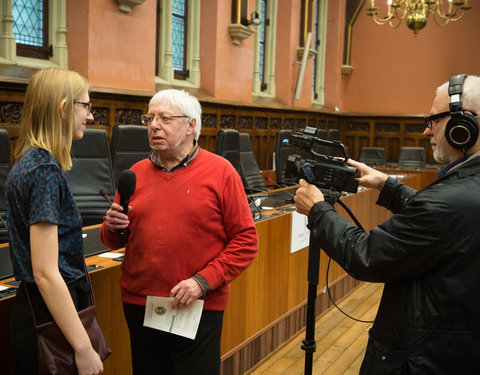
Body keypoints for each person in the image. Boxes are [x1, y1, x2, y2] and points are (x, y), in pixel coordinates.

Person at [293, 74, 480, 374]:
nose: (426, 131)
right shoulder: (467, 189)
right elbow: (445, 226)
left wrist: (317, 211)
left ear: (464, 125)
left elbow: (366, 256)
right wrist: (386, 185)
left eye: (434, 120)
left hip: (423, 357)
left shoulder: (445, 202)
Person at [100, 89, 258, 374]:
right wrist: (112, 228)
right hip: (141, 302)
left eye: (165, 118)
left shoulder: (222, 172)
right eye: (150, 118)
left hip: (197, 304)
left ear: (191, 125)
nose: (153, 125)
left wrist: (202, 281)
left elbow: (246, 241)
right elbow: (115, 240)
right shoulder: (134, 173)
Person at [4, 68, 104, 375]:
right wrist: (84, 347)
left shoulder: (29, 162)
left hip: (40, 310)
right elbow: (46, 272)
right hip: (50, 318)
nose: (89, 116)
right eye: (85, 106)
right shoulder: (44, 170)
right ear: (64, 108)